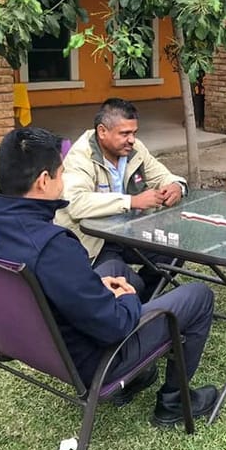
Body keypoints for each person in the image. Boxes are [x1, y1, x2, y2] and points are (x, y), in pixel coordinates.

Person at [0, 127, 218, 426]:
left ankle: (138, 374)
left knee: (116, 271)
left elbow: (54, 284)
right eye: (62, 173)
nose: (65, 180)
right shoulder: (52, 246)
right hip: (93, 362)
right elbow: (115, 326)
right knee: (198, 296)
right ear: (44, 181)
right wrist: (127, 299)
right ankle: (174, 402)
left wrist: (98, 286)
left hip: (21, 342)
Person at [55, 98, 188, 302]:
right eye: (125, 133)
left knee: (176, 250)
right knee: (131, 283)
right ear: (102, 132)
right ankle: (137, 301)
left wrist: (176, 186)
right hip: (95, 241)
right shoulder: (81, 156)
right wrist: (131, 202)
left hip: (129, 233)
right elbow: (75, 203)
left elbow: (162, 175)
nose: (132, 139)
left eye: (134, 132)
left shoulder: (134, 149)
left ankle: (144, 301)